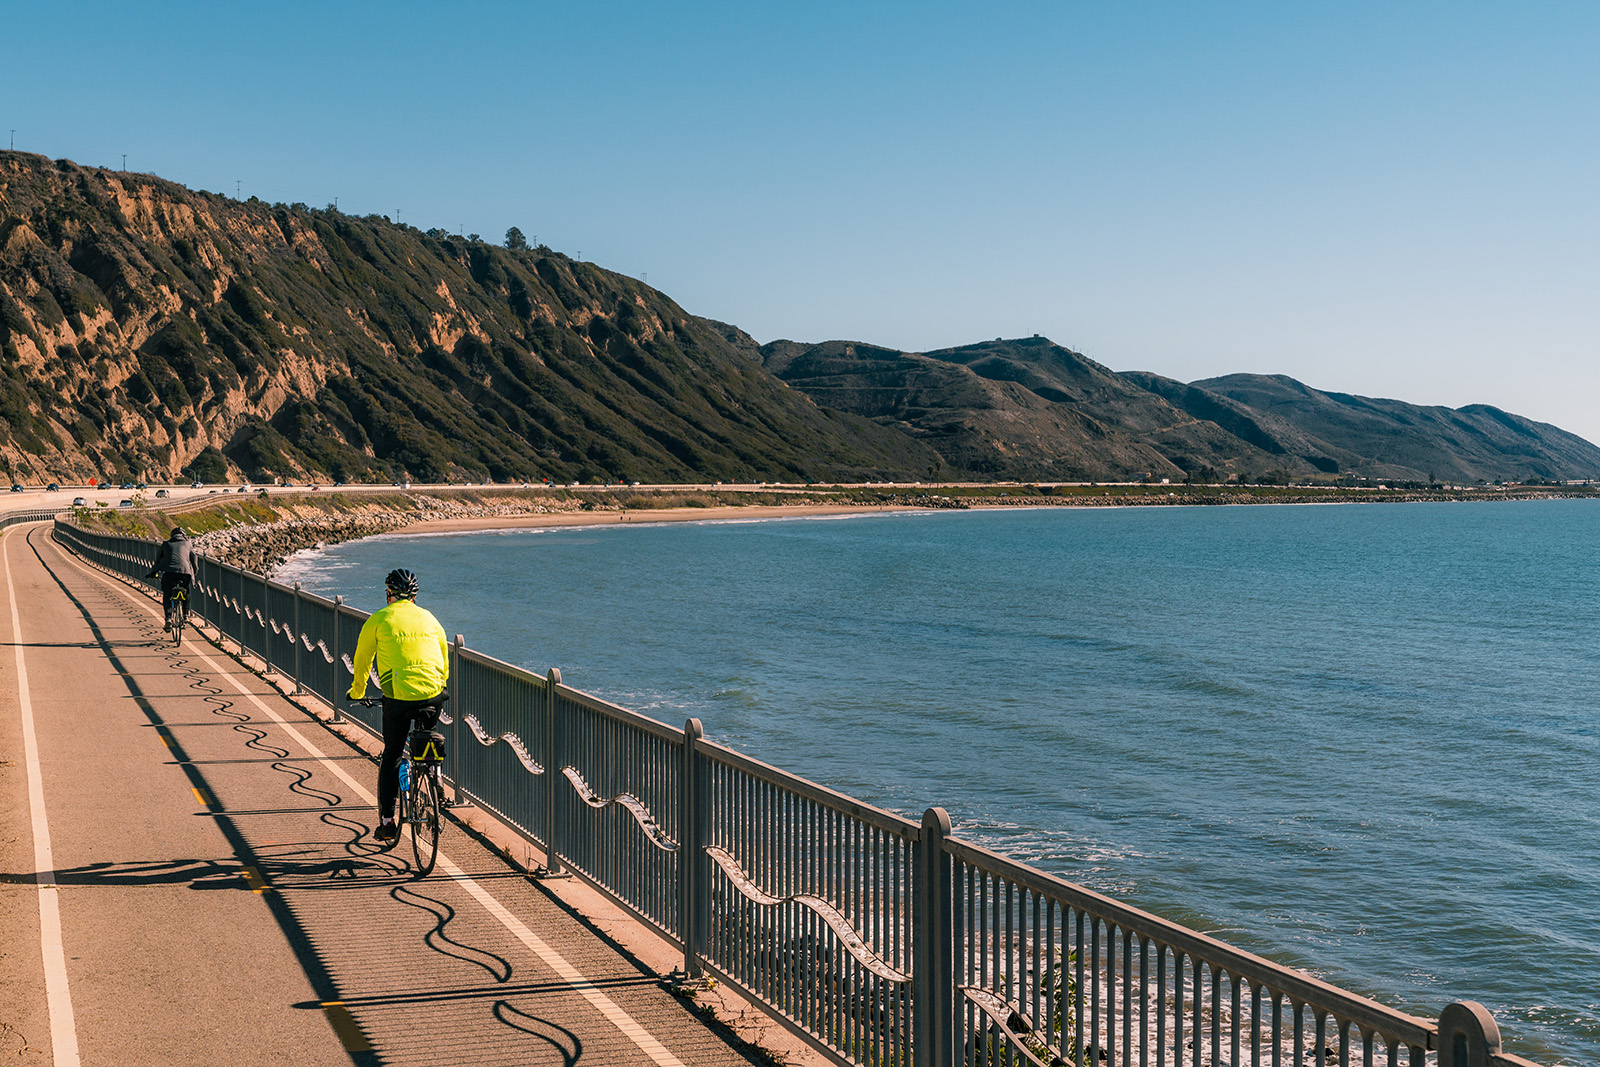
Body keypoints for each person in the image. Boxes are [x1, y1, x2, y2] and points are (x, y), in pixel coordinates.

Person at [347, 568, 450, 843]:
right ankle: (434, 774)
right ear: (415, 596)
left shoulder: (379, 619)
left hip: (399, 697)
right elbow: (443, 657)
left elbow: (363, 659)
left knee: (392, 753)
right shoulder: (430, 618)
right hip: (433, 694)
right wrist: (440, 686)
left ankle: (388, 821)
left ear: (389, 594)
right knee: (427, 740)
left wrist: (357, 691)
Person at [147, 527, 194, 631]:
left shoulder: (166, 543)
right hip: (185, 573)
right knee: (187, 591)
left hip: (169, 573)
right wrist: (193, 572)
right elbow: (194, 561)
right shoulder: (188, 543)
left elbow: (158, 560)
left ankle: (168, 618)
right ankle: (186, 615)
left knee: (167, 594)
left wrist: (153, 573)